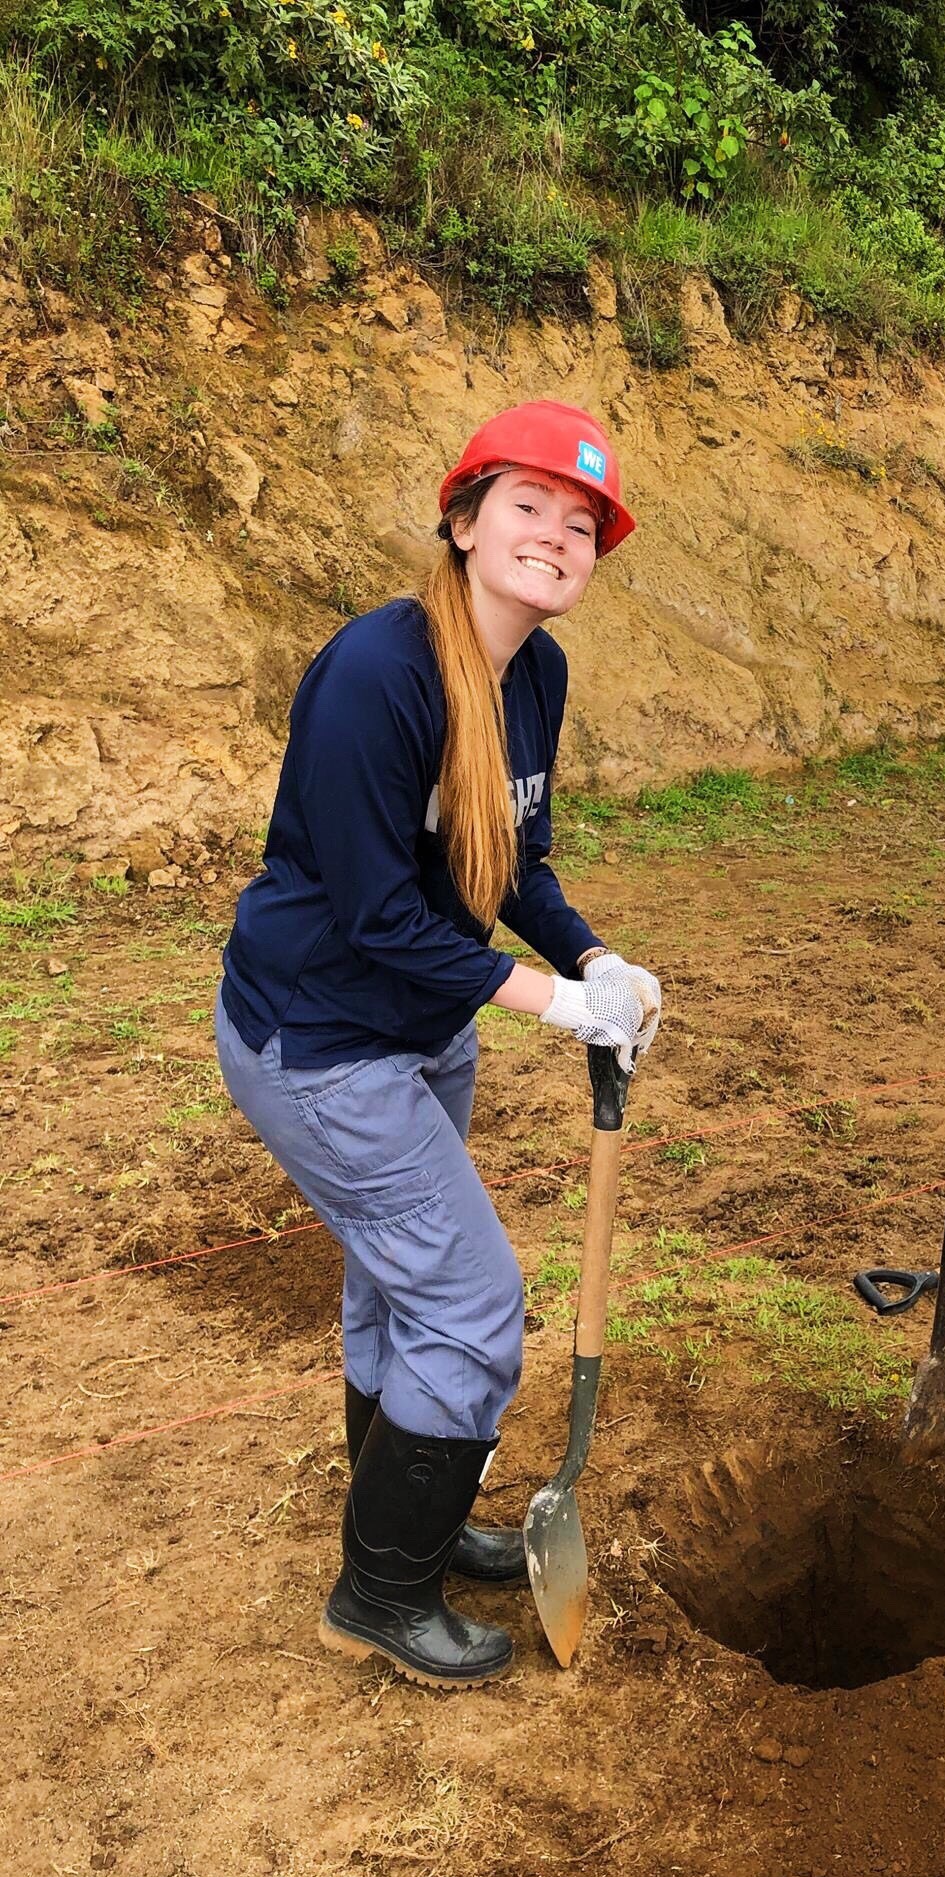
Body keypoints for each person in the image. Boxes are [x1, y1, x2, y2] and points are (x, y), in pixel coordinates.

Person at [215, 401, 661, 1690]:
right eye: (528, 507)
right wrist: (547, 1003)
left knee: (398, 1285)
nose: (557, 537)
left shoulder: (539, 675)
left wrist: (590, 957)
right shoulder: (378, 675)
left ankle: (394, 1518)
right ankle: (382, 1591)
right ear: (465, 522)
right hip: (321, 1037)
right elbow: (376, 911)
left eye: (583, 527)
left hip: (415, 1033)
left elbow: (505, 857)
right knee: (470, 1312)